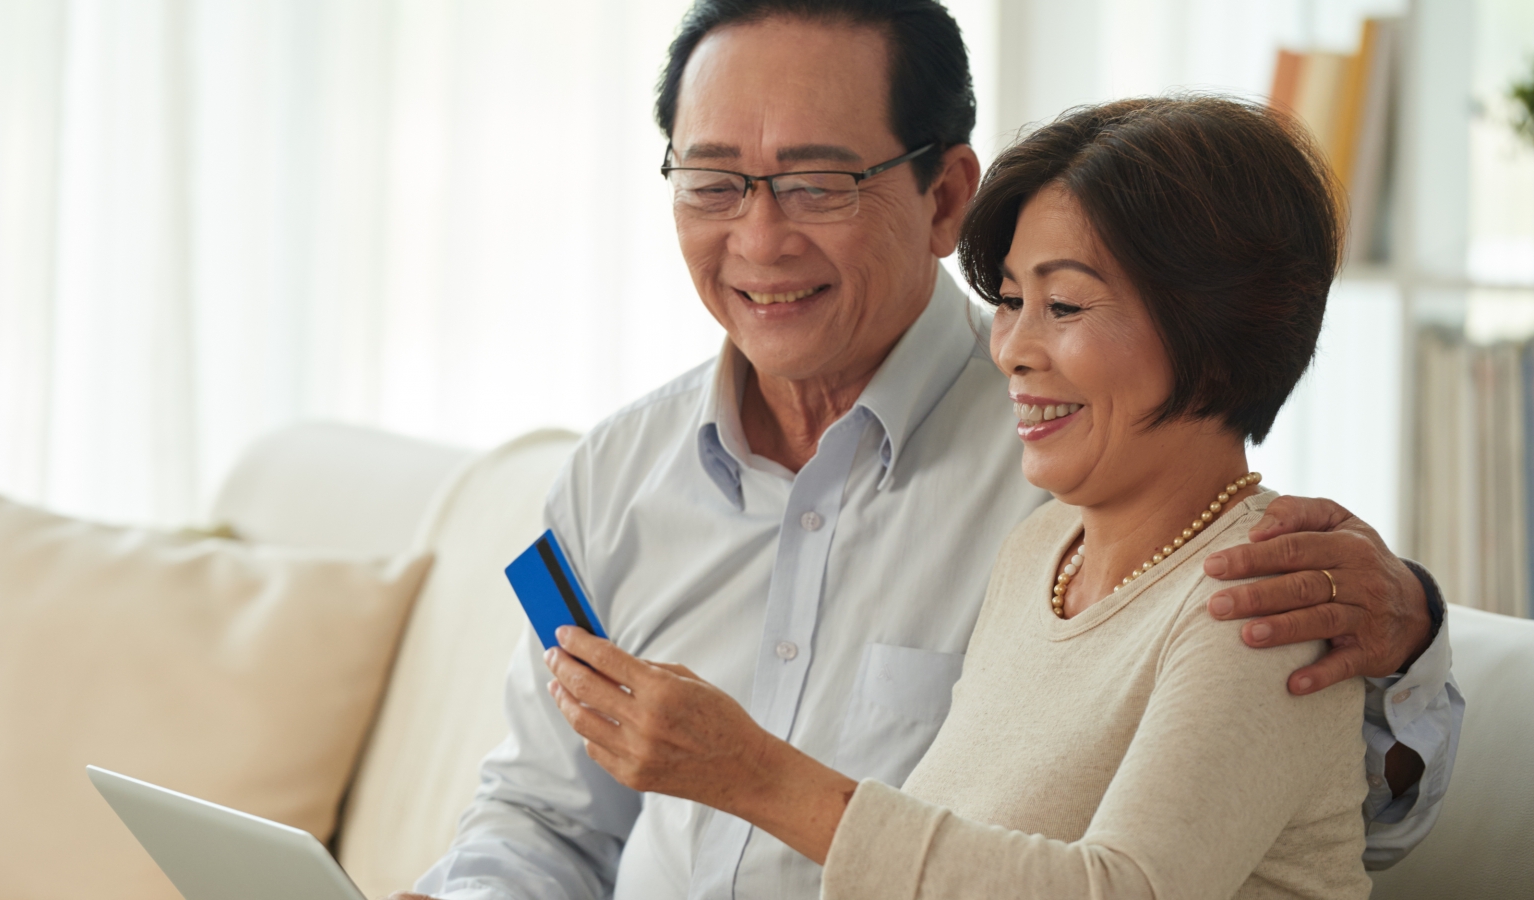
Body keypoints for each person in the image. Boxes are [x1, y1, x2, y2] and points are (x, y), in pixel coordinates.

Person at [395, 2, 1461, 898]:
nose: (759, 241)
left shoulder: (1098, 487)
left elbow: (1303, 817)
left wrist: (1405, 641)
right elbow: (542, 813)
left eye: (817, 183)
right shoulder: (621, 474)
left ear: (945, 195)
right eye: (714, 182)